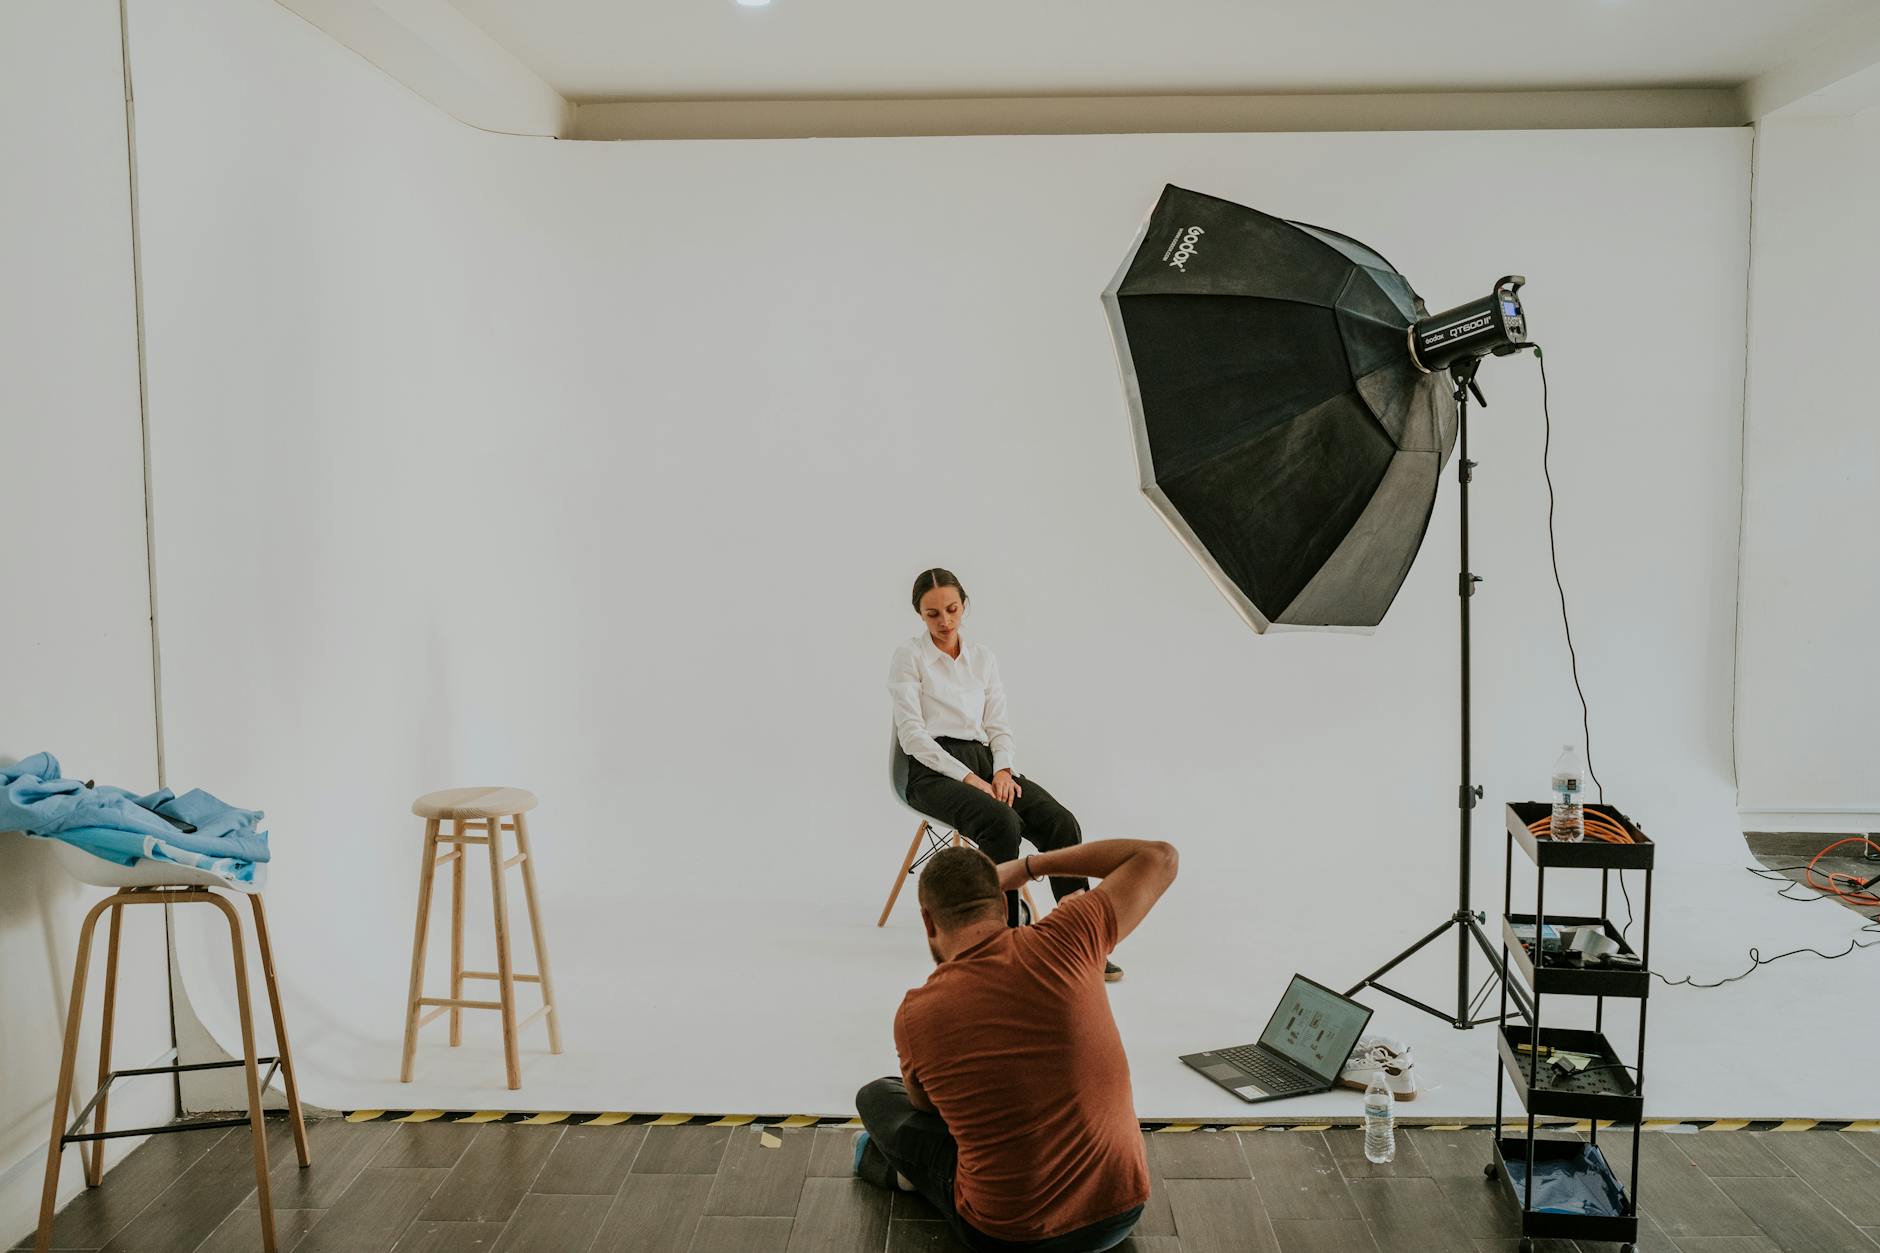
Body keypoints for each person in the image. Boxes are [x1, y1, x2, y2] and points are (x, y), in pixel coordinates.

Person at [853, 838, 1178, 1252]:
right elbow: (1160, 857)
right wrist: (1028, 867)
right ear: (1006, 908)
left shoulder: (915, 1015)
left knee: (877, 1097)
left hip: (1008, 1237)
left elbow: (927, 1112)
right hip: (1119, 1213)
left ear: (928, 922)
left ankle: (901, 1174)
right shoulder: (1072, 935)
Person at [889, 567, 1122, 980]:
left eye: (952, 609)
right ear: (919, 615)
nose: (945, 621)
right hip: (929, 770)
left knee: (1060, 822)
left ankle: (1077, 938)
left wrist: (1002, 771)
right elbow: (912, 736)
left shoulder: (983, 658)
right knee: (1001, 822)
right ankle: (1002, 942)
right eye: (932, 614)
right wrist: (970, 779)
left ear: (964, 605)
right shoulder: (910, 656)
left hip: (984, 760)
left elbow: (998, 727)